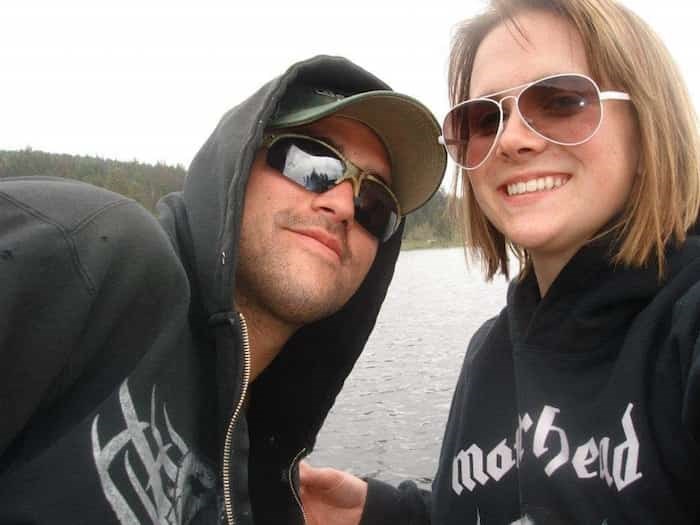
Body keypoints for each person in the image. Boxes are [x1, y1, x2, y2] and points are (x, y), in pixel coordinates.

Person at [299, 1, 700, 523]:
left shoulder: (685, 331)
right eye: (483, 119)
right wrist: (387, 514)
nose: (511, 140)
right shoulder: (491, 352)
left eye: (560, 100)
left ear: (648, 123)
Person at [0, 55, 446, 524]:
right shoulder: (92, 253)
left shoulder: (267, 479)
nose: (342, 206)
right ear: (239, 162)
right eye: (310, 161)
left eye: (374, 202)